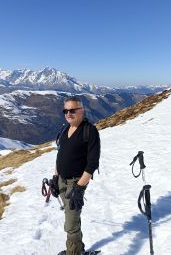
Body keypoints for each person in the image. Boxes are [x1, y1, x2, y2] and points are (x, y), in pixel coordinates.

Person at [50, 96, 101, 255]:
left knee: (71, 223)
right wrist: (55, 178)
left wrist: (79, 188)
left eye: (73, 110)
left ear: (82, 111)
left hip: (76, 182)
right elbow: (60, 156)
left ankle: (73, 252)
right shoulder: (65, 129)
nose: (68, 113)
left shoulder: (89, 131)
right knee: (71, 217)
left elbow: (92, 163)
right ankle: (77, 249)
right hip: (62, 181)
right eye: (66, 110)